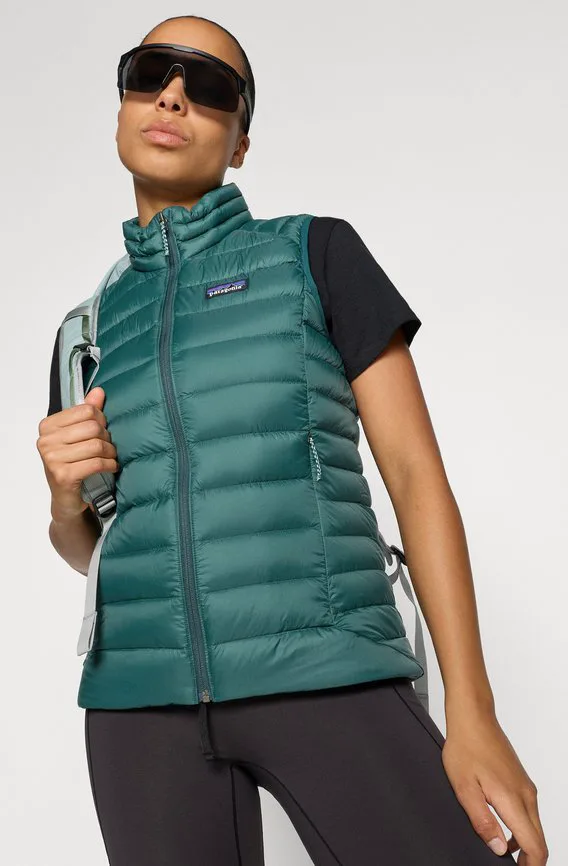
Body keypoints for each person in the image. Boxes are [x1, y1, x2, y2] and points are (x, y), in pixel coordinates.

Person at [36, 13, 548, 866]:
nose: (173, 97)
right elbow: (95, 548)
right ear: (122, 105)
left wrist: (475, 712)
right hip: (138, 711)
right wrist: (63, 502)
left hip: (326, 670)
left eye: (210, 87)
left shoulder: (313, 254)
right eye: (151, 73)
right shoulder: (87, 330)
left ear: (240, 142)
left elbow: (415, 475)